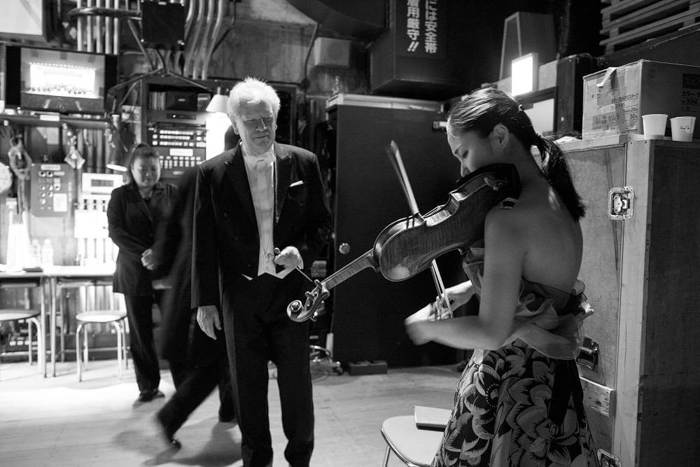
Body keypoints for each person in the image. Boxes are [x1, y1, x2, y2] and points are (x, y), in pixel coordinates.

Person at [404, 87, 599, 466]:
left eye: (464, 153)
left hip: (510, 388)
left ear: (499, 136)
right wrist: (465, 289)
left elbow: (492, 332)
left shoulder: (506, 219)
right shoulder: (559, 201)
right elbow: (537, 285)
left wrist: (426, 328)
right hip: (555, 385)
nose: (462, 171)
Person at [192, 77, 330, 467]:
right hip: (240, 296)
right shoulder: (213, 173)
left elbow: (322, 224)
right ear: (235, 124)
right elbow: (203, 242)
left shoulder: (303, 162)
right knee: (248, 393)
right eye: (251, 121)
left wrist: (300, 252)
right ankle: (257, 461)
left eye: (267, 119)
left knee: (298, 392)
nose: (262, 128)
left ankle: (300, 459)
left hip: (290, 296)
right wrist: (204, 301)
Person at [149, 167, 234, 449]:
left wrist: (161, 262)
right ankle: (170, 417)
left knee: (219, 355)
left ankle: (229, 410)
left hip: (187, 273)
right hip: (216, 279)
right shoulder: (237, 177)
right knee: (217, 357)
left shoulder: (193, 175)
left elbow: (171, 226)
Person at [107, 143, 176, 404]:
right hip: (134, 273)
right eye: (142, 169)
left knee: (174, 328)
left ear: (160, 168)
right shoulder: (120, 196)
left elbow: (178, 228)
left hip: (165, 273)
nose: (148, 174)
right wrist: (144, 253)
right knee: (140, 332)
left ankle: (182, 382)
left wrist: (158, 253)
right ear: (132, 170)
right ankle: (148, 386)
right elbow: (116, 231)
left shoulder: (171, 193)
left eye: (153, 168)